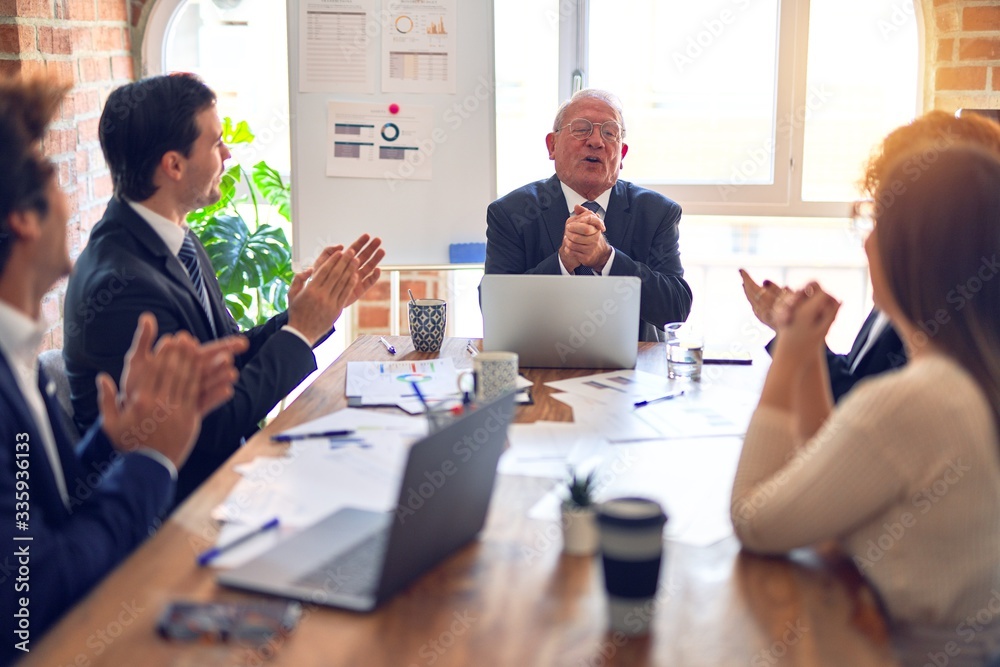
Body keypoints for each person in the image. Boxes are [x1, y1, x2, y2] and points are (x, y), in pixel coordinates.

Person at [0, 75, 242, 662]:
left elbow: (46, 506)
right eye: (54, 177)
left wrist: (115, 438)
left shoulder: (17, 359)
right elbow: (33, 594)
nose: (71, 199)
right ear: (25, 220)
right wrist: (150, 458)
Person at [731, 143, 1000, 665]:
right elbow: (832, 480)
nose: (869, 240)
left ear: (916, 252)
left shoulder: (918, 400)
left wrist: (786, 360)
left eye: (879, 220)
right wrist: (808, 359)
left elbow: (752, 520)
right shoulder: (970, 375)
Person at [64, 73, 385, 503]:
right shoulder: (123, 287)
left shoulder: (177, 238)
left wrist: (302, 315)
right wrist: (300, 333)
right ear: (174, 165)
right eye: (216, 143)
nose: (228, 153)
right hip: (176, 508)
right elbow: (210, 426)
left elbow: (225, 354)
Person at [740, 110, 1000, 401]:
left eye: (892, 215)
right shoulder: (898, 299)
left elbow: (860, 409)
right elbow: (857, 378)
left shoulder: (948, 336)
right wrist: (795, 333)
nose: (871, 241)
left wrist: (799, 346)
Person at [484, 89, 692, 341]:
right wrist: (564, 261)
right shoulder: (511, 213)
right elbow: (495, 308)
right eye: (581, 129)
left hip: (635, 368)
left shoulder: (657, 213)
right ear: (552, 145)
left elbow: (676, 311)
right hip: (541, 361)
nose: (596, 141)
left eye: (609, 133)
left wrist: (606, 258)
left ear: (622, 154)